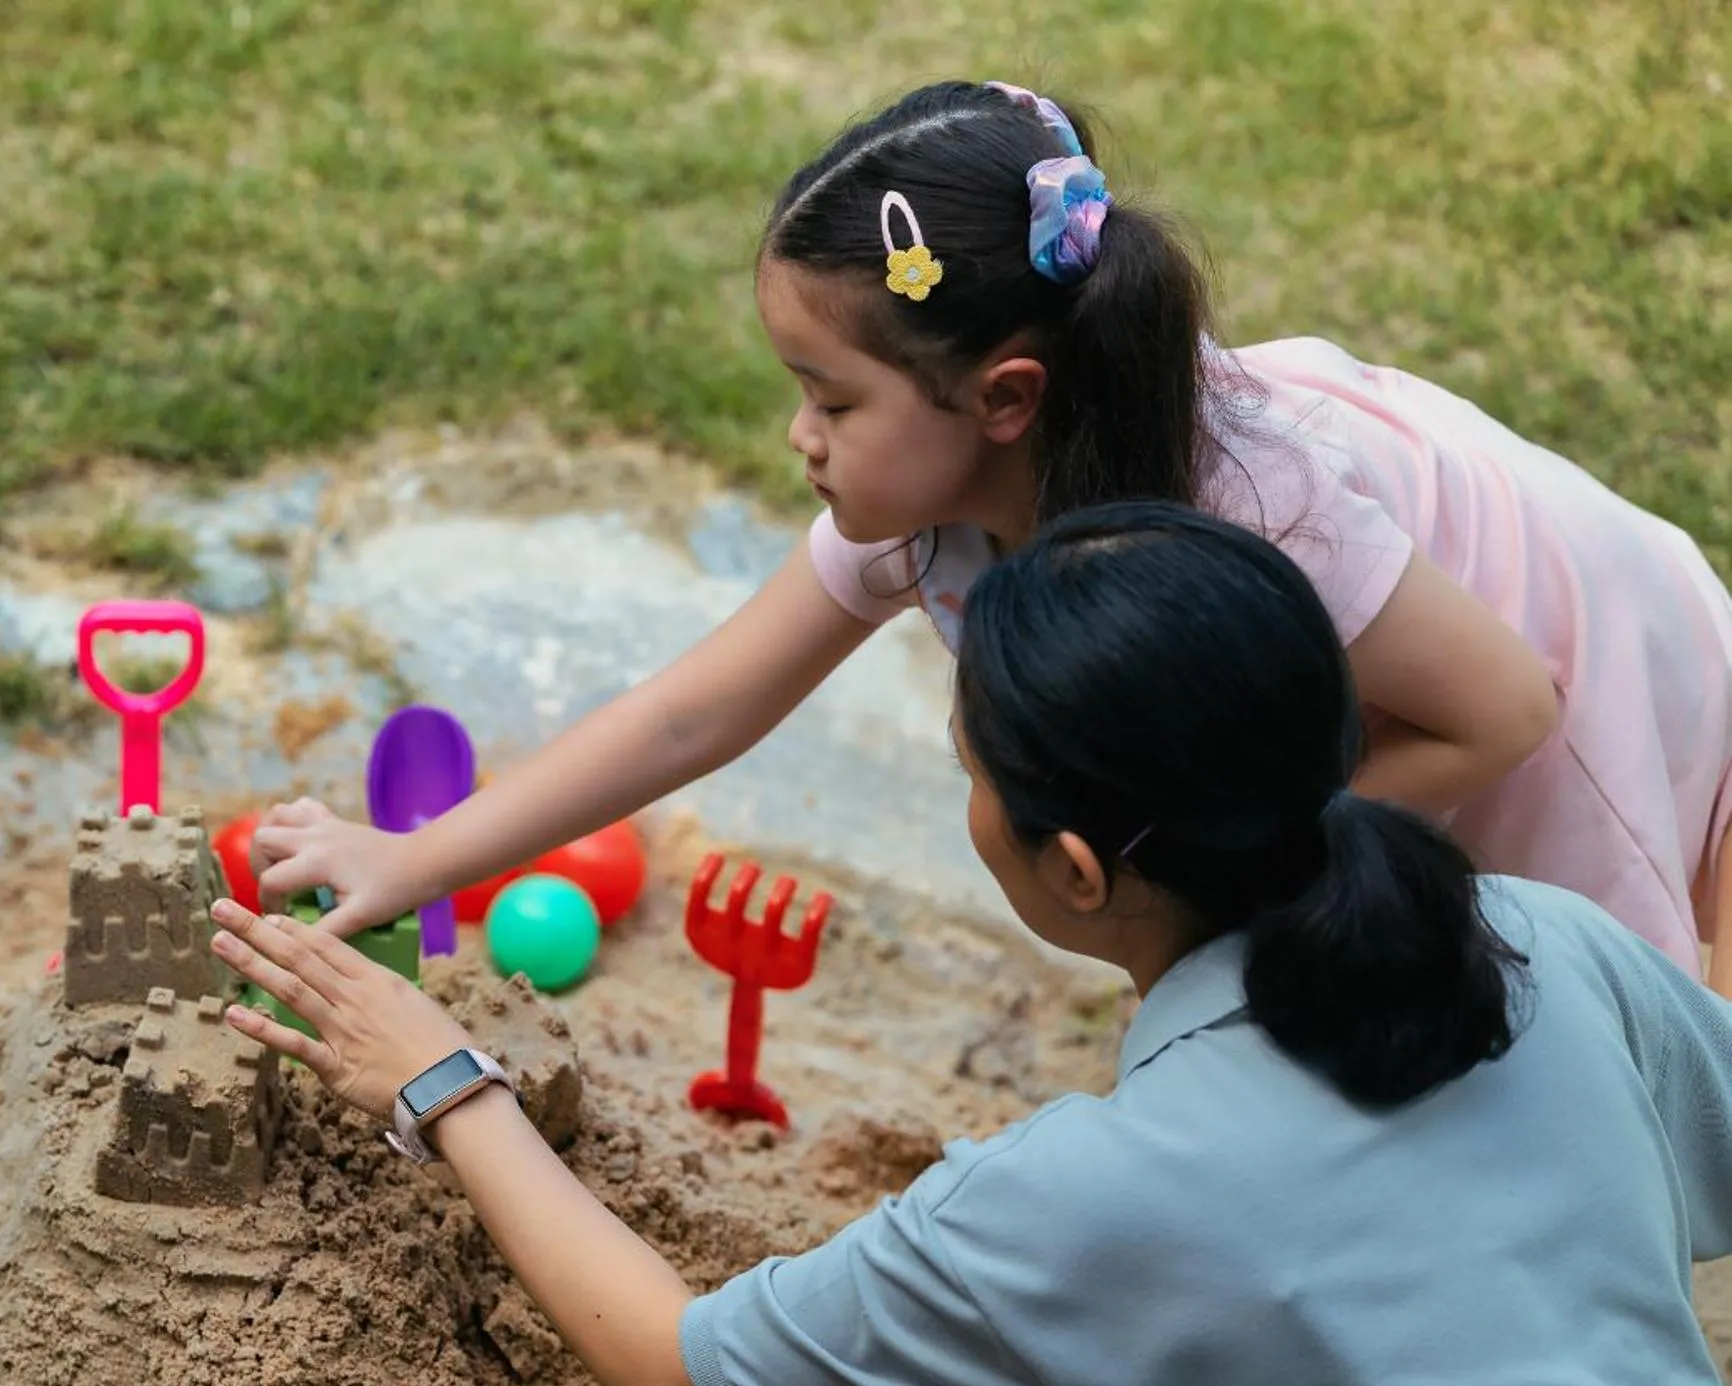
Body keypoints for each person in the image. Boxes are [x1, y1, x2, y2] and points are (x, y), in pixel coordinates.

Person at [207, 503, 1732, 1386]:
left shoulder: (1094, 1196)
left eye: (969, 771)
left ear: (1073, 869)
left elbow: (675, 1376)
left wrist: (442, 1081)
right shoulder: (1543, 942)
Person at [252, 79, 1732, 993]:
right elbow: (700, 705)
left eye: (830, 397)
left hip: (1560, 659)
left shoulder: (1251, 510)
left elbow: (1504, 715)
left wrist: (1223, 905)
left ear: (1003, 396)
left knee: (1560, 1042)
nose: (798, 440)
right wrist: (422, 855)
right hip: (1383, 689)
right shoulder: (933, 505)